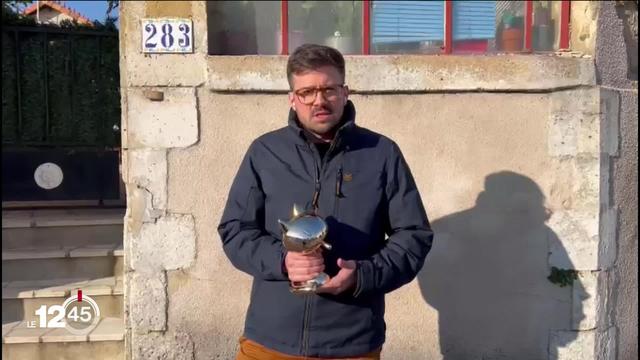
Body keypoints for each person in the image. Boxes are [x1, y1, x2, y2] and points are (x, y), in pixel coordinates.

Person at [218, 44, 434, 360]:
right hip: (269, 341)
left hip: (352, 343)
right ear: (292, 98)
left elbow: (414, 236)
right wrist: (283, 260)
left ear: (345, 92)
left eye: (328, 89)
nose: (319, 100)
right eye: (306, 92)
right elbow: (235, 229)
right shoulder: (265, 152)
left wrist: (363, 275)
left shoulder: (382, 153)